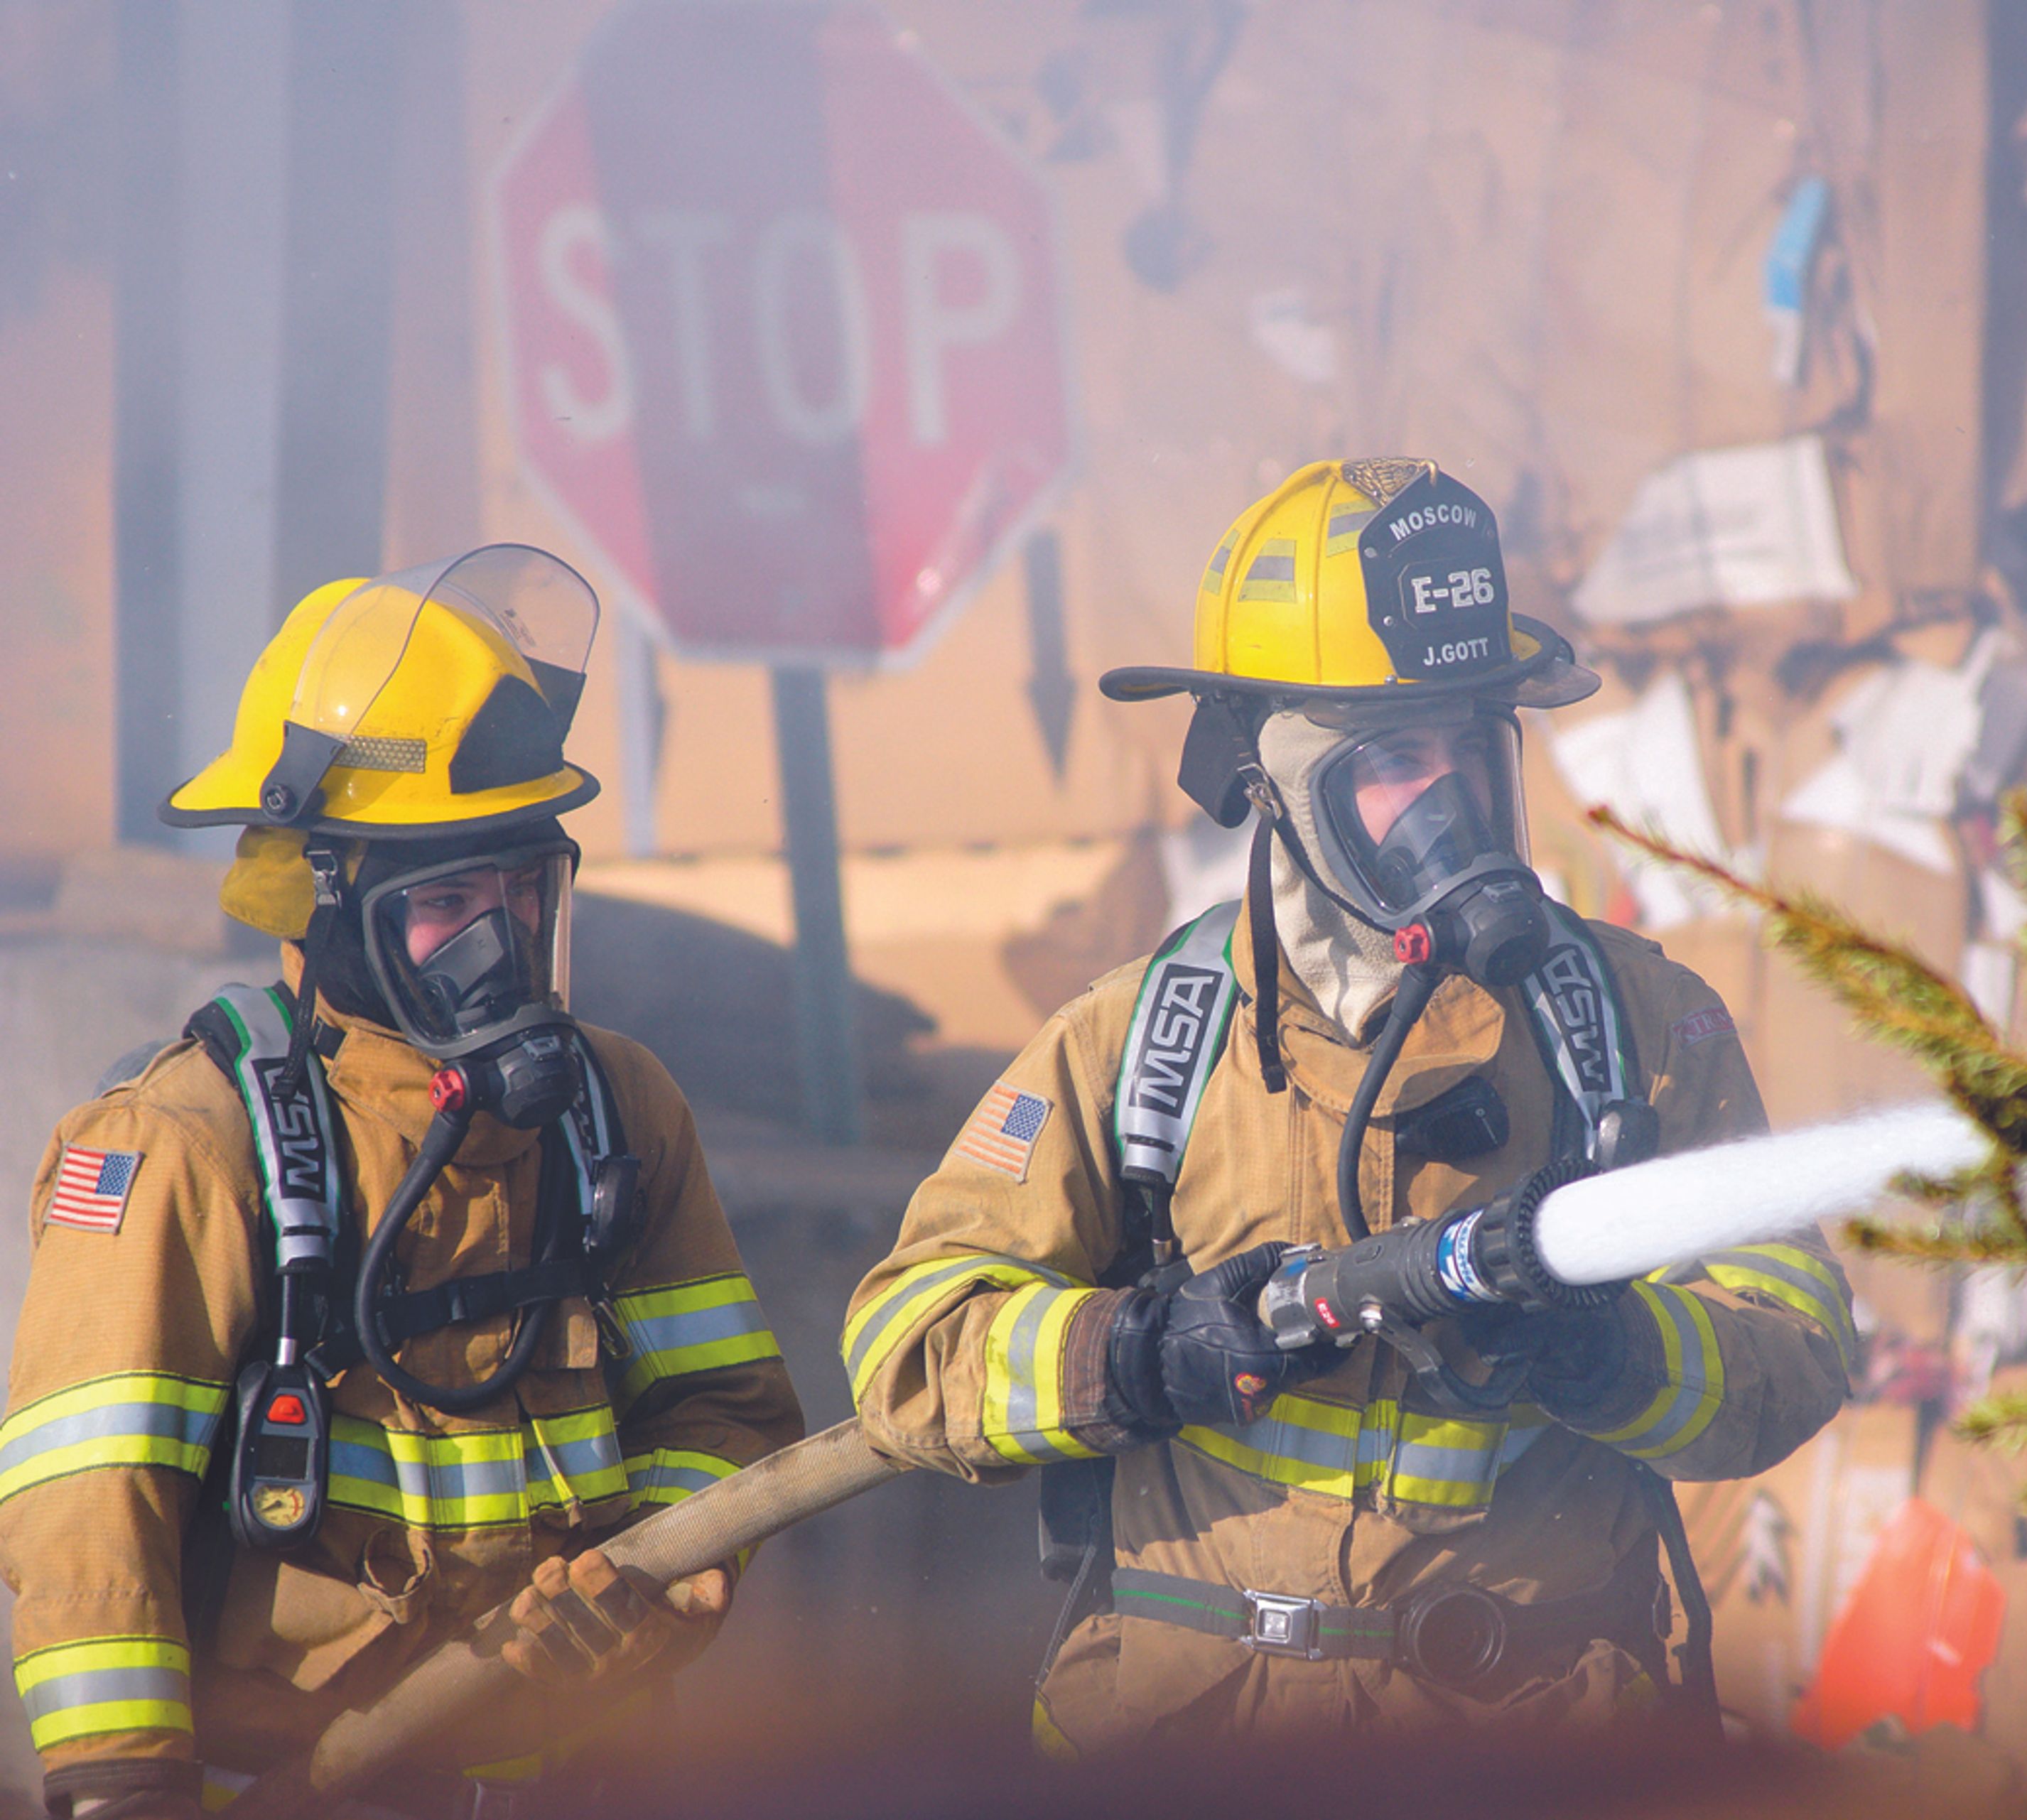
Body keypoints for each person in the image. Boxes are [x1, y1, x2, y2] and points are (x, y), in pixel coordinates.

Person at [843, 459, 1854, 1755]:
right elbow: (906, 1348)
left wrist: (1612, 1353)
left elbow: (1797, 1335)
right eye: (1395, 761)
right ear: (1282, 781)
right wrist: (1147, 1350)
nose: (1449, 808)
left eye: (1473, 752)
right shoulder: (1144, 1038)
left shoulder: (1638, 1028)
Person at [0, 547, 804, 1818]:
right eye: (449, 901)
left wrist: (636, 1591)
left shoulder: (617, 1108)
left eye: (524, 890)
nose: (504, 941)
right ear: (327, 906)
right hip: (296, 1785)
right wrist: (124, 1790)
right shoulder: (189, 1144)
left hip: (583, 1775)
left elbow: (733, 1413)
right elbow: (89, 1510)